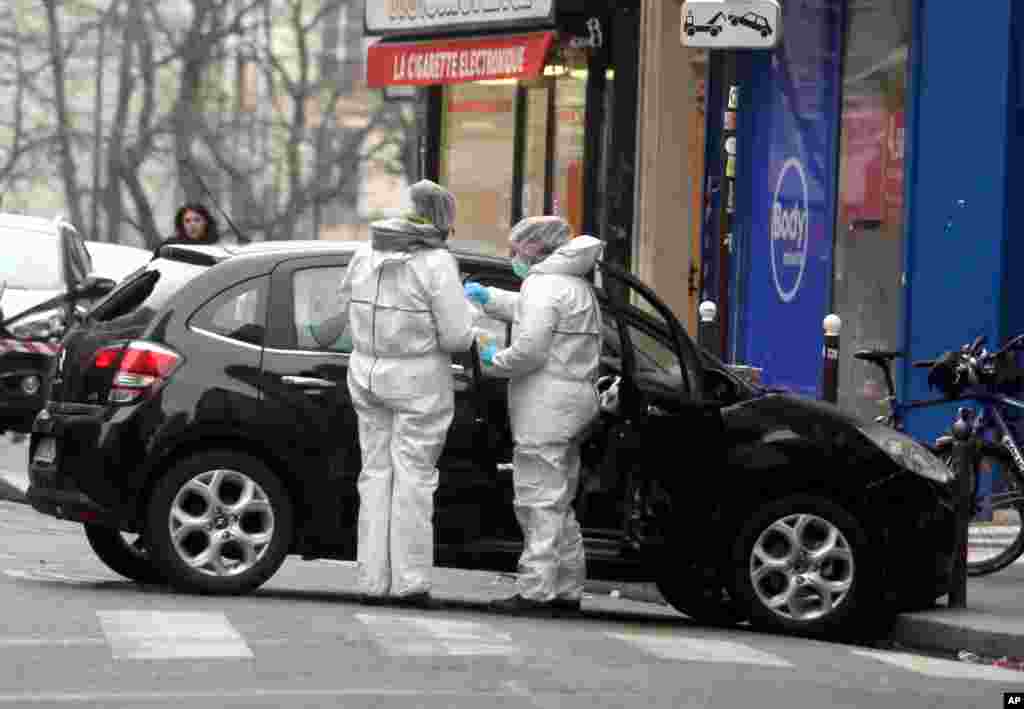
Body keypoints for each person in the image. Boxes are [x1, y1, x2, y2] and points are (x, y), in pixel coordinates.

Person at [317, 179, 477, 607]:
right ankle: (409, 583)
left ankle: (372, 581)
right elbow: (459, 338)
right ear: (442, 217)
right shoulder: (437, 262)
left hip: (366, 373)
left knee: (375, 476)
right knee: (414, 479)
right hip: (418, 382)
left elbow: (344, 306)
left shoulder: (367, 250)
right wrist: (473, 313)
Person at [463, 216, 604, 616]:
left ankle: (535, 590)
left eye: (516, 247)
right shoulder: (574, 285)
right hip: (574, 401)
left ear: (534, 248)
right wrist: (488, 297)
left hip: (546, 405)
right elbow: (530, 311)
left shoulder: (544, 286)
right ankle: (567, 587)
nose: (512, 254)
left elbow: (530, 349)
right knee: (559, 501)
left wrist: (495, 360)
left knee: (537, 500)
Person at [153, 203, 221, 256]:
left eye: (197, 220)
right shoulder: (171, 246)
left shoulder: (217, 247)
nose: (192, 225)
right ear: (182, 224)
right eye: (187, 221)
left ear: (206, 222)